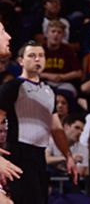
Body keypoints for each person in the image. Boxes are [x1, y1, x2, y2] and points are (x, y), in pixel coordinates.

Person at [0, 40, 77, 204]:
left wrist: (68, 156)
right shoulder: (12, 86)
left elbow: (56, 128)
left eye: (41, 56)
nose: (37, 59)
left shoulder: (48, 91)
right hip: (19, 153)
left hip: (40, 155)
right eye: (32, 55)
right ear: (21, 60)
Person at [45, 113, 88, 179]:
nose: (80, 132)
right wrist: (68, 158)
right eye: (77, 128)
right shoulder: (52, 141)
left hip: (70, 180)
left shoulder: (83, 148)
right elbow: (46, 159)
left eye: (82, 130)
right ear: (66, 127)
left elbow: (80, 172)